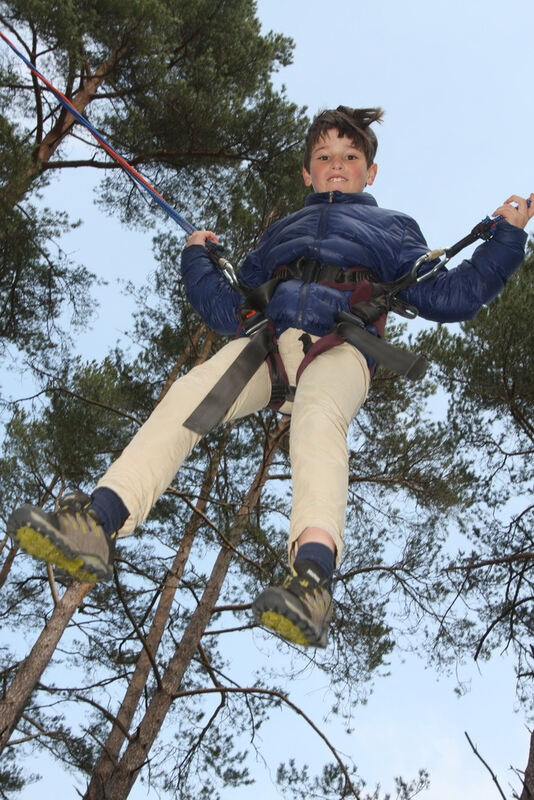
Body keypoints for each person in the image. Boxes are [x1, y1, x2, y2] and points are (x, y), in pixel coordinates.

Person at [8, 106, 533, 649]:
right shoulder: (282, 232)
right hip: (268, 344)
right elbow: (227, 308)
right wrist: (197, 259)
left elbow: (449, 295)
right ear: (307, 172)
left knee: (317, 421)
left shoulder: (393, 229)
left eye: (350, 157)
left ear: (370, 172)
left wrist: (505, 238)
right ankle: (98, 520)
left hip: (341, 344)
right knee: (190, 396)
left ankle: (310, 579)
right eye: (324, 157)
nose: (336, 165)